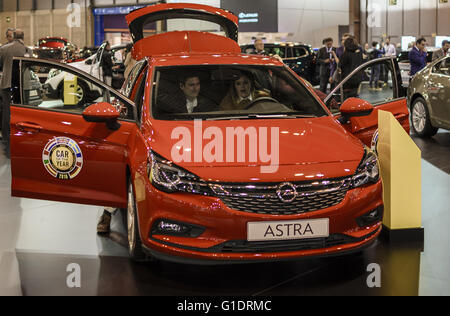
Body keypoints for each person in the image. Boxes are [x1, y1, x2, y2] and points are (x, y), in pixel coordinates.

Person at [0, 29, 31, 157]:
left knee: (7, 113)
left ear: (13, 36)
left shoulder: (4, 49)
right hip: (24, 86)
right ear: (23, 36)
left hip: (7, 85)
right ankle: (23, 139)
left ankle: (7, 140)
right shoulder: (28, 50)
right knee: (25, 113)